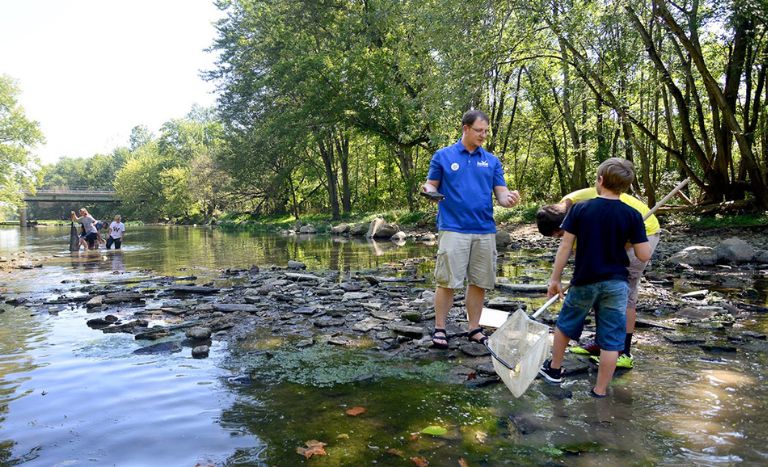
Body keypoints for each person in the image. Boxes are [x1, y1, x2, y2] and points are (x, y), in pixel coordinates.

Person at [538, 158, 650, 398]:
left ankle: (554, 370)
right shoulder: (632, 215)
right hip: (616, 284)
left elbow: (566, 247)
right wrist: (627, 241)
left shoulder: (580, 209)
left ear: (600, 180)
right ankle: (600, 390)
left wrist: (554, 279)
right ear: (626, 186)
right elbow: (643, 254)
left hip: (585, 280)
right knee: (611, 339)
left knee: (566, 325)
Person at [422, 109, 521, 349]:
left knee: (479, 281)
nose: (483, 135)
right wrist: (428, 191)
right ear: (465, 129)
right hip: (453, 227)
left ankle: (474, 328)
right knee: (446, 281)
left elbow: (501, 194)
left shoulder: (492, 161)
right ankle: (440, 328)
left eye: (486, 131)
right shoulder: (443, 156)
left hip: (485, 229)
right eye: (479, 130)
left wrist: (509, 199)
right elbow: (430, 184)